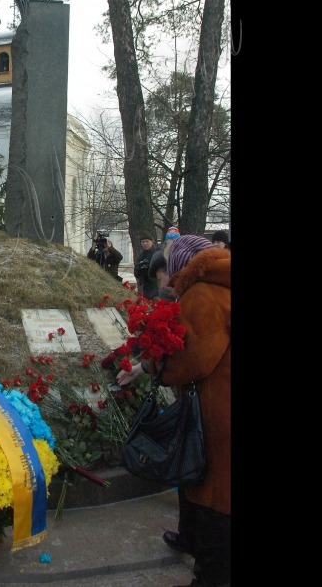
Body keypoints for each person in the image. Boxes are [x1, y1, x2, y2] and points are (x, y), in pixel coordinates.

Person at [118, 235, 231, 587]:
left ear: (181, 265)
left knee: (218, 498)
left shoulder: (202, 295)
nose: (162, 280)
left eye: (165, 270)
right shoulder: (217, 286)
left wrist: (156, 366)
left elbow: (190, 360)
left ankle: (212, 575)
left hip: (218, 412)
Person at [133, 232, 160, 299]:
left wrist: (150, 267)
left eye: (147, 241)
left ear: (152, 241)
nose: (145, 244)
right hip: (146, 287)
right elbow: (136, 273)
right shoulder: (141, 255)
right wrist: (140, 269)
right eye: (143, 242)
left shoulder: (158, 252)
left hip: (158, 285)